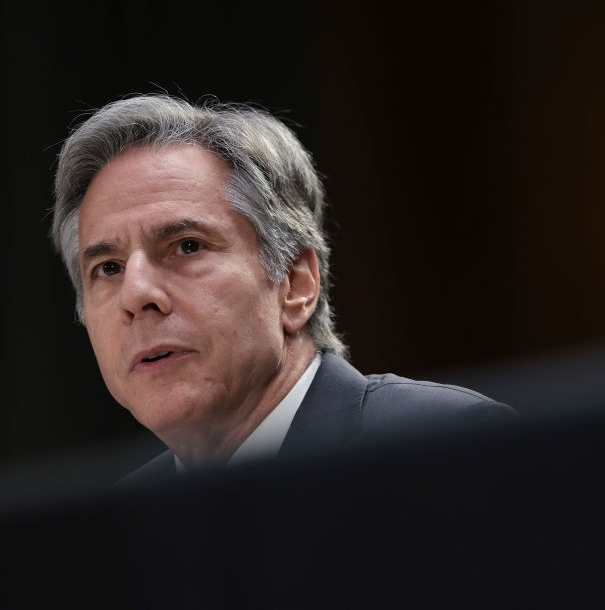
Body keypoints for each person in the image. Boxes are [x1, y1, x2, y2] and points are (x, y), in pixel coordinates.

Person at [50, 95, 516, 483]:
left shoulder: (445, 449)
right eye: (108, 268)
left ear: (296, 283)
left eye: (186, 246)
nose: (136, 294)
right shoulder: (115, 526)